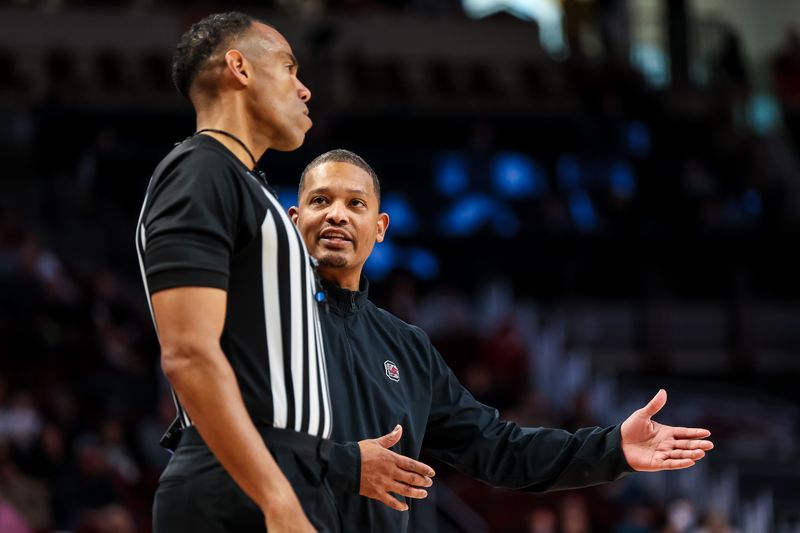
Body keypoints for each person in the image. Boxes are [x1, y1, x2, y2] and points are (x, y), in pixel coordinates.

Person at [289, 149, 715, 531]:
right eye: (320, 200)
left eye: (355, 203)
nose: (337, 215)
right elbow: (227, 443)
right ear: (294, 219)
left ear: (380, 227)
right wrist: (345, 465)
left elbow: (496, 448)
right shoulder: (255, 322)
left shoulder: (407, 347)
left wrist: (612, 448)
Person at [134, 13, 401, 533]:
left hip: (282, 477)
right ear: (239, 67)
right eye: (288, 68)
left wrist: (322, 466)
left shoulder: (249, 188)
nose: (304, 90)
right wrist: (276, 496)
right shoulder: (200, 169)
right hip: (243, 487)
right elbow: (188, 353)